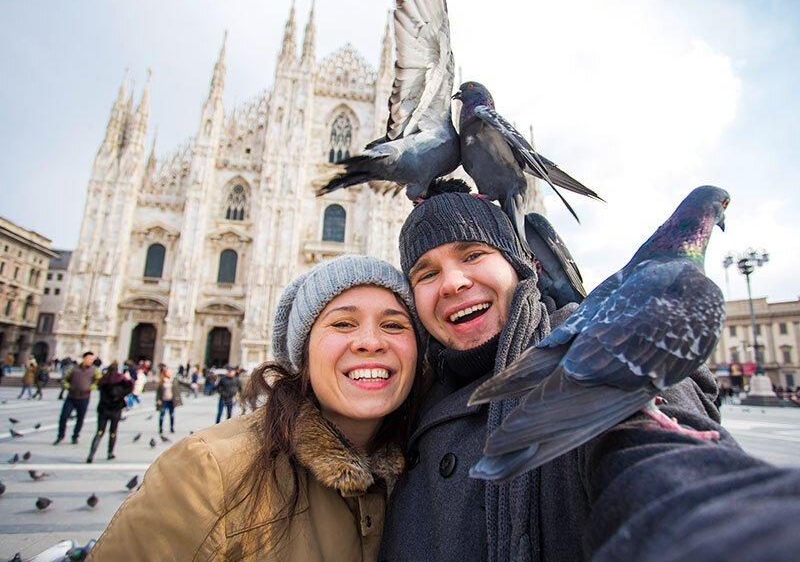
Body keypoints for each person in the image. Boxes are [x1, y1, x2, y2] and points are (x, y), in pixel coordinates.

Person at [378, 185, 745, 561]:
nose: (453, 282)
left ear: (520, 265)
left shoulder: (592, 332)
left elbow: (657, 449)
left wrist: (731, 517)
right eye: (426, 273)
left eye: (473, 254)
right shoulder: (410, 396)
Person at [88, 255, 424, 560]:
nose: (370, 341)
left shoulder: (422, 470)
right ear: (302, 354)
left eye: (394, 324)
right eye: (342, 323)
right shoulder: (210, 472)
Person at [86, 362, 133, 463]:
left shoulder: (103, 379)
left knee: (99, 431)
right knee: (113, 432)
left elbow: (97, 385)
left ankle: (91, 454)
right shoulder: (121, 379)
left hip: (103, 409)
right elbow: (130, 385)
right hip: (115, 410)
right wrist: (122, 395)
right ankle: (110, 453)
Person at [54, 351, 100, 445]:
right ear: (84, 358)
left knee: (80, 418)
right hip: (71, 396)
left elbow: (98, 381)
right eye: (89, 358)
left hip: (84, 397)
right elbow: (64, 379)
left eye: (92, 359)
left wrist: (90, 388)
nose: (90, 361)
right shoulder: (73, 368)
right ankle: (60, 435)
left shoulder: (94, 370)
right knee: (63, 417)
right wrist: (68, 387)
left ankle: (75, 436)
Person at [155, 367, 182, 434]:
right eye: (168, 372)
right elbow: (158, 392)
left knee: (172, 415)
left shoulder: (174, 380)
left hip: (171, 400)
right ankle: (160, 428)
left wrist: (191, 386)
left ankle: (172, 428)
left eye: (170, 372)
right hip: (163, 400)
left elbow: (182, 384)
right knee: (162, 415)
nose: (170, 373)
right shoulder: (162, 381)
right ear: (165, 373)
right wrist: (158, 399)